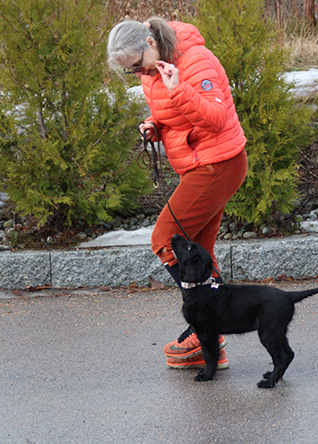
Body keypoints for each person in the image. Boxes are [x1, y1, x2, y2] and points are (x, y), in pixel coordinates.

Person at [107, 18, 248, 370]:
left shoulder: (195, 60)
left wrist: (178, 90)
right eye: (130, 71)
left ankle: (207, 327)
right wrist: (156, 126)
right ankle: (210, 342)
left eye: (137, 64)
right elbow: (176, 115)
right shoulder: (152, 70)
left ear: (151, 42)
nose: (138, 73)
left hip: (218, 163)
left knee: (166, 240)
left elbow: (215, 119)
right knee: (200, 253)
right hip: (201, 164)